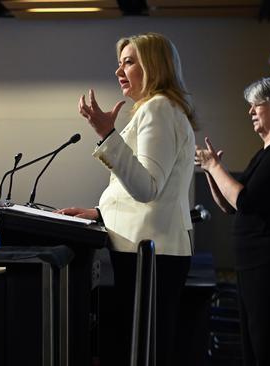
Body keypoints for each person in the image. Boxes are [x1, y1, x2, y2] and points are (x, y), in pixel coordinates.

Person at [56, 32, 196, 365]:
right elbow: (143, 190)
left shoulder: (159, 108)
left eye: (129, 62)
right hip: (150, 251)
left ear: (155, 65)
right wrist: (100, 213)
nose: (119, 72)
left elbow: (147, 188)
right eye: (118, 64)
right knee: (142, 348)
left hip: (151, 255)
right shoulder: (158, 109)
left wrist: (106, 134)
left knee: (142, 350)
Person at [195, 78, 270, 366]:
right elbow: (230, 206)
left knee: (269, 347)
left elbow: (244, 200)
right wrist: (213, 173)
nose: (250, 112)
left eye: (255, 106)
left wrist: (214, 167)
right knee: (254, 346)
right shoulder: (267, 151)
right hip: (257, 262)